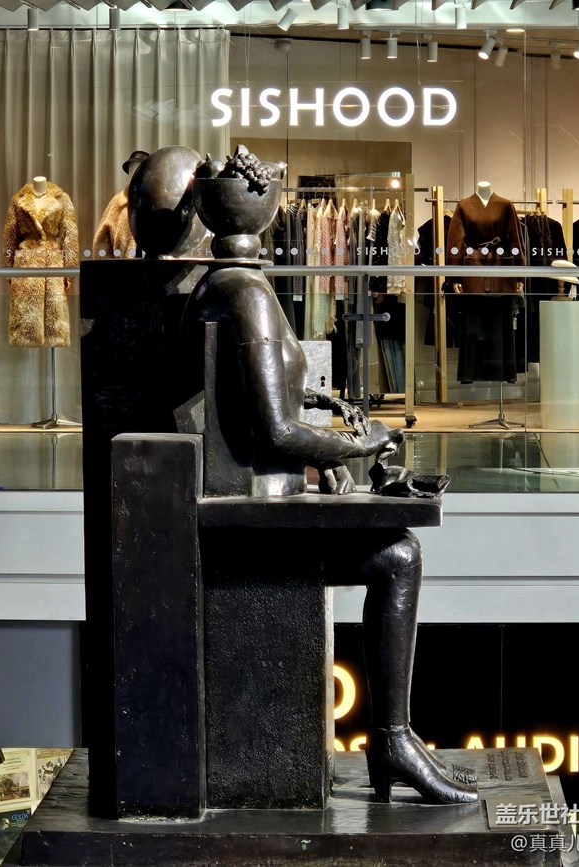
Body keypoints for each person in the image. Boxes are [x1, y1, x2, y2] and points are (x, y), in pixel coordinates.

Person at [174, 152, 478, 804]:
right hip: (248, 516)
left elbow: (254, 403)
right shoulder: (247, 293)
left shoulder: (223, 284)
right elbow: (276, 433)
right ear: (264, 207)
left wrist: (323, 423)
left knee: (395, 553)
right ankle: (391, 740)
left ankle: (392, 741)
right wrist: (356, 443)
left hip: (249, 498)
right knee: (399, 557)